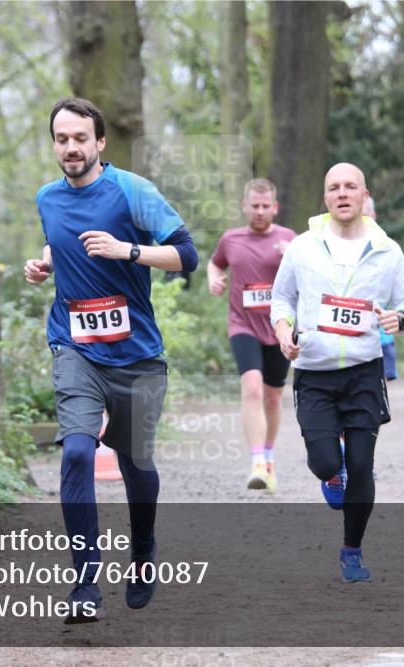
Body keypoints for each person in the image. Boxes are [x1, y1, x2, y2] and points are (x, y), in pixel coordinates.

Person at [24, 97, 198, 622]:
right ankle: (84, 584)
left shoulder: (132, 191)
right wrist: (46, 263)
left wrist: (128, 251)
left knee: (135, 461)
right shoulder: (47, 198)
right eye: (61, 139)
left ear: (100, 142)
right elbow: (63, 242)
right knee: (76, 452)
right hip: (75, 348)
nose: (70, 148)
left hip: (138, 355)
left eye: (80, 138)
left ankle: (142, 550)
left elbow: (186, 254)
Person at [270, 163, 404, 583]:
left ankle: (351, 551)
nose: (342, 193)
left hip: (363, 372)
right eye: (333, 187)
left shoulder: (387, 250)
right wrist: (283, 331)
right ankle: (332, 473)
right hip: (314, 369)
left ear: (364, 195)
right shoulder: (302, 247)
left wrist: (400, 319)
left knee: (362, 463)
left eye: (350, 186)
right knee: (324, 462)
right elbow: (282, 298)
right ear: (325, 199)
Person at [207, 178, 296, 492]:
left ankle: (269, 457)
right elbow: (215, 264)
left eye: (265, 206)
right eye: (254, 206)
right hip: (242, 325)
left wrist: (293, 257)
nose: (259, 212)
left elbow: (308, 278)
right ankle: (257, 461)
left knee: (273, 396)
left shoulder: (289, 238)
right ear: (244, 206)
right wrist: (214, 280)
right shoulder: (231, 239)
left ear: (275, 207)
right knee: (253, 389)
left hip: (279, 327)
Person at [363, 197, 398, 381]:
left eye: (365, 214)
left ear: (374, 215)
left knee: (379, 381)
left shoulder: (388, 249)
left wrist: (400, 316)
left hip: (380, 330)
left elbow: (402, 294)